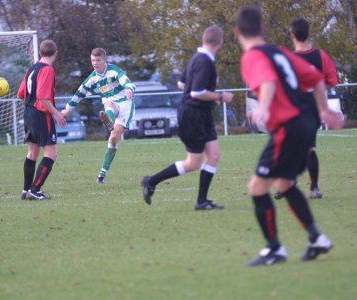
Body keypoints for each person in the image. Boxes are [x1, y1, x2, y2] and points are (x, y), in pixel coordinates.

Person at [234, 6, 343, 266]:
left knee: (257, 188)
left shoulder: (252, 57)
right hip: (305, 123)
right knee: (283, 184)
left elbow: (268, 81)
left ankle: (274, 249)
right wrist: (324, 109)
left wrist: (263, 106)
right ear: (262, 29)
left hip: (288, 127)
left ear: (237, 32)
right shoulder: (279, 52)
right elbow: (316, 78)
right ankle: (317, 238)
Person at [141, 25, 234, 210]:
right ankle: (151, 181)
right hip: (193, 116)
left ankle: (201, 201)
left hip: (202, 113)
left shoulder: (197, 58)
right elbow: (197, 93)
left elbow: (182, 84)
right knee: (193, 163)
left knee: (214, 156)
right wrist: (220, 96)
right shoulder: (204, 61)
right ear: (220, 42)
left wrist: (208, 99)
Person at [62, 48, 136, 184]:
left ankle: (102, 172)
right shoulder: (92, 79)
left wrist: (129, 89)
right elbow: (79, 93)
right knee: (109, 105)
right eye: (93, 60)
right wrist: (67, 109)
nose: (95, 63)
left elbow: (126, 81)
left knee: (114, 138)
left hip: (125, 104)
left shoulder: (113, 70)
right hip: (111, 103)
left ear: (104, 60)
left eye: (98, 60)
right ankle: (108, 120)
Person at [288, 17, 338, 199]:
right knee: (307, 148)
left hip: (292, 111)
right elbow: (332, 81)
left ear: (292, 35)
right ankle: (313, 188)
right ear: (308, 33)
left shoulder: (289, 59)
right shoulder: (321, 56)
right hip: (313, 109)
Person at [17, 39, 66, 200]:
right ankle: (35, 190)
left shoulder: (32, 68)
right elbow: (43, 97)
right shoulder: (47, 69)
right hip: (40, 115)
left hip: (28, 112)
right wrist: (56, 114)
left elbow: (21, 94)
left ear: (40, 53)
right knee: (51, 153)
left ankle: (26, 190)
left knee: (32, 152)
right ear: (56, 53)